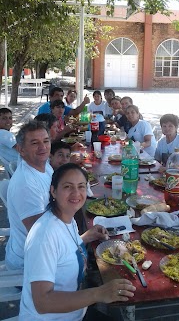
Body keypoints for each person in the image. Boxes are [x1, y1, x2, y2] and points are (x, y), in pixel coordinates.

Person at [19, 163, 136, 320]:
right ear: (53, 191)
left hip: (75, 312)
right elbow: (42, 302)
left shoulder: (66, 217)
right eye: (68, 187)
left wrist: (86, 237)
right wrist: (99, 293)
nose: (76, 193)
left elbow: (62, 253)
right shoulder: (44, 237)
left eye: (81, 186)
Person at [5, 120, 53, 270]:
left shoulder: (44, 166)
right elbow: (42, 235)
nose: (43, 147)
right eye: (34, 143)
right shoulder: (25, 183)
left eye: (46, 141)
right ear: (21, 149)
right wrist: (82, 239)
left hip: (42, 252)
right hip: (31, 265)